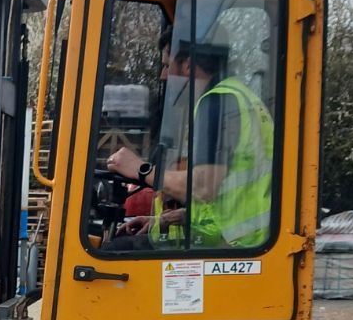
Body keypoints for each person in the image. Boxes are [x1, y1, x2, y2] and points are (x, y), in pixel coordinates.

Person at [105, 33, 274, 249]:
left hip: (235, 248)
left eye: (167, 66)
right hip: (246, 241)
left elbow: (204, 186)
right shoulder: (241, 97)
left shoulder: (216, 103)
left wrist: (141, 169)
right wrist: (164, 219)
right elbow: (232, 198)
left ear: (188, 65)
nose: (162, 75)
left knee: (111, 253)